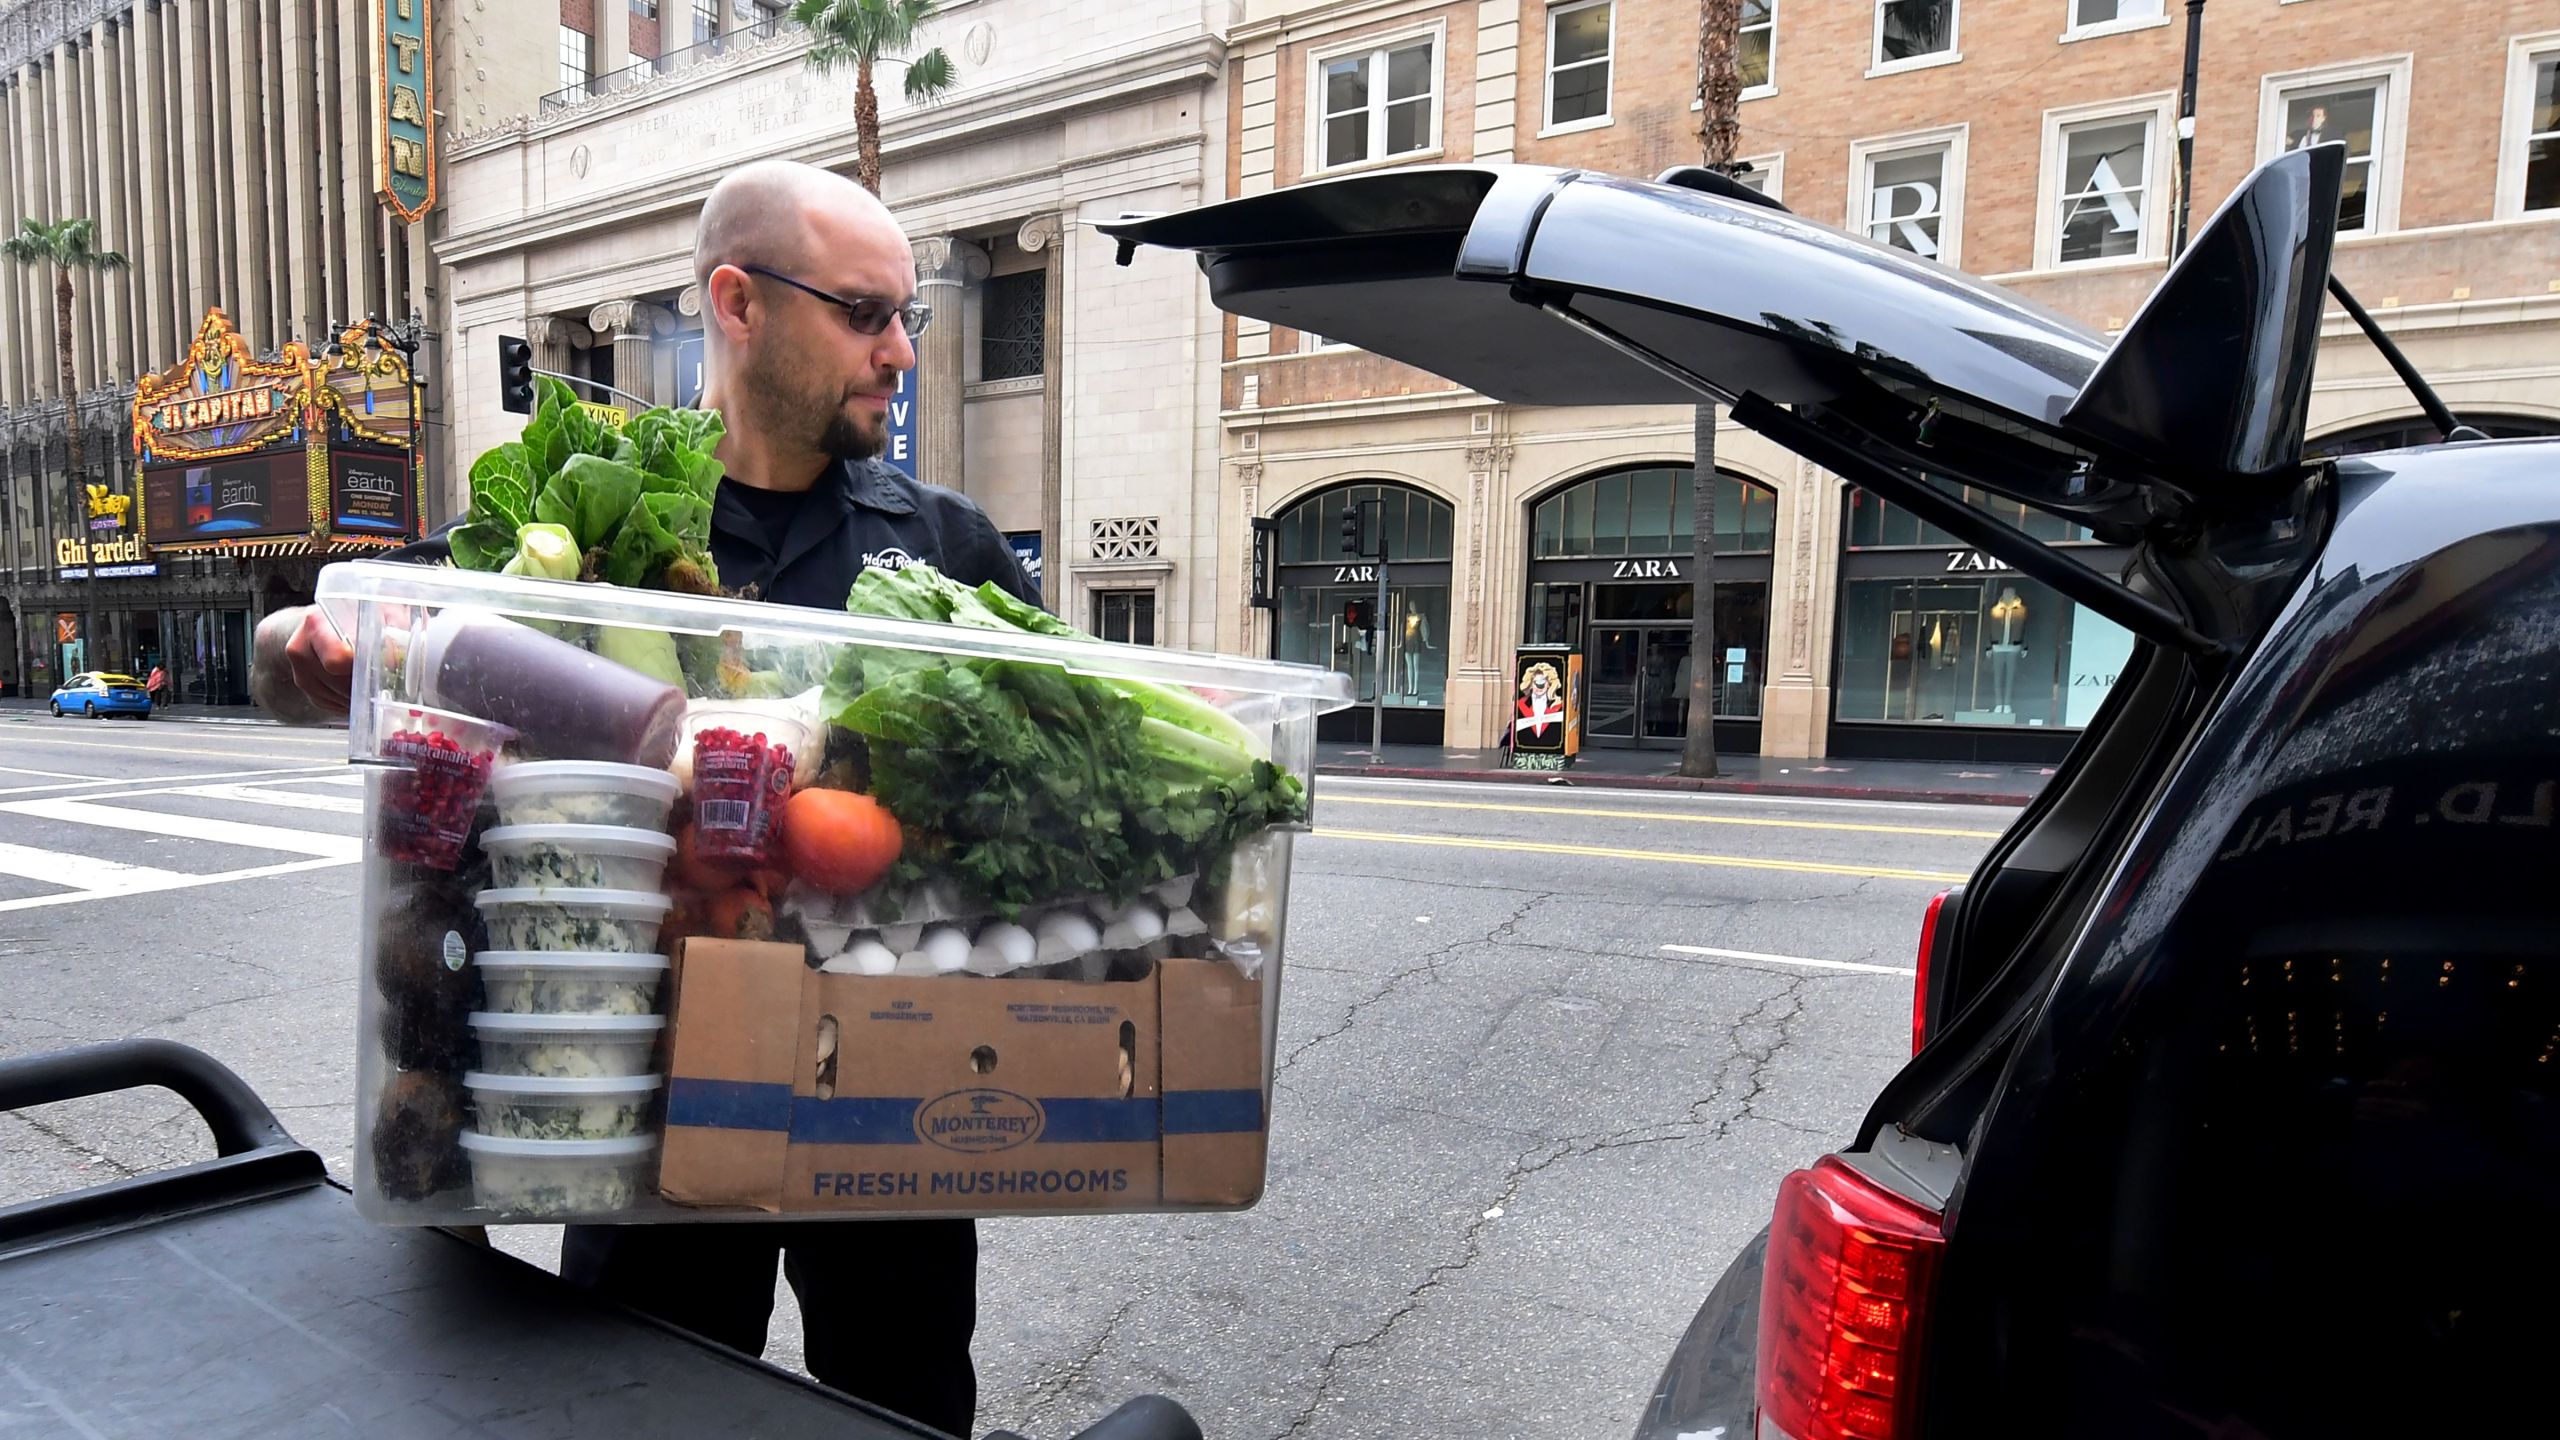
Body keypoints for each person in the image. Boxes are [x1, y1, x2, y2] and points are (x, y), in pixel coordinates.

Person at [251, 160, 1034, 1435]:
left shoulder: (944, 544)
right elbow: (327, 651)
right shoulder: (578, 528)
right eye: (864, 313)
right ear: (738, 300)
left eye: (909, 317)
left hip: (881, 1081)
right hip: (632, 1082)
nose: (899, 351)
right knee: (635, 1408)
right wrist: (305, 648)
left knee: (902, 1404)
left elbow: (1054, 763)